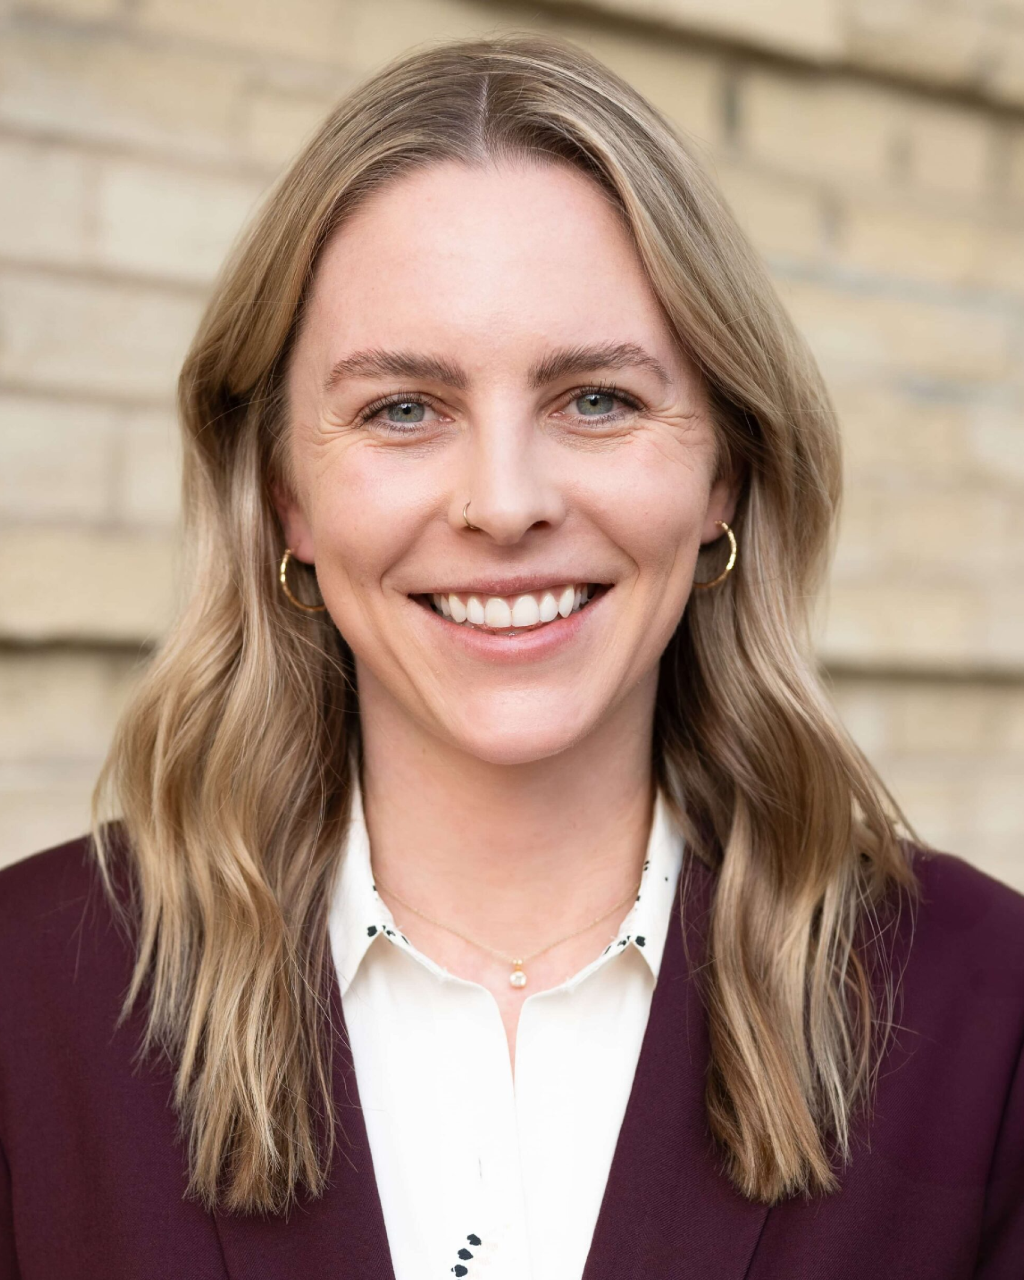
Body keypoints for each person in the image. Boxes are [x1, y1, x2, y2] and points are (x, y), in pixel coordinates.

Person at [0, 30, 1021, 1280]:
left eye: (596, 398)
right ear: (284, 498)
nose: (502, 502)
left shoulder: (988, 1012)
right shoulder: (23, 1003)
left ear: (725, 475)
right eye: (402, 408)